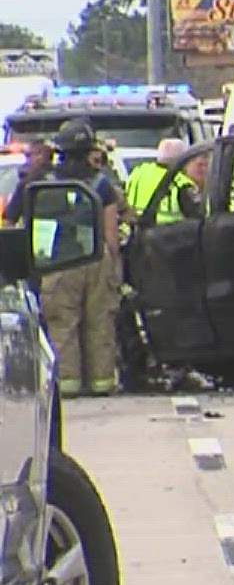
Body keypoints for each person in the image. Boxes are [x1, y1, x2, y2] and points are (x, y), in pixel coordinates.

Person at [34, 121, 125, 397]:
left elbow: (16, 217)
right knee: (100, 322)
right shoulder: (102, 184)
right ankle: (102, 382)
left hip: (57, 263)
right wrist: (115, 267)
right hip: (96, 259)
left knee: (62, 323)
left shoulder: (41, 183)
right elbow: (111, 231)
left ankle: (67, 382)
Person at [123, 138, 199, 227]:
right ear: (183, 159)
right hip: (169, 236)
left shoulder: (139, 172)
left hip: (136, 234)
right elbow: (196, 218)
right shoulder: (180, 183)